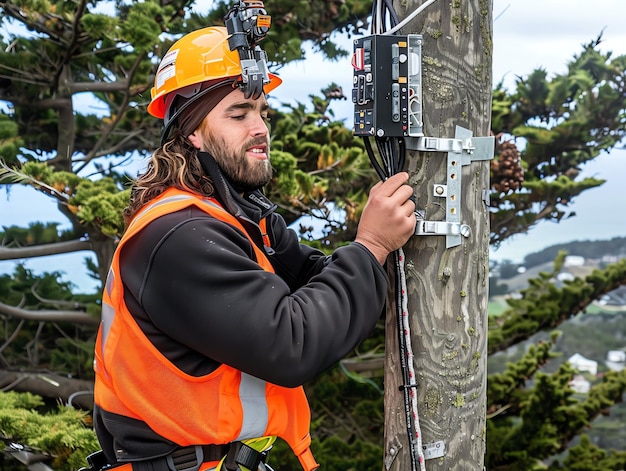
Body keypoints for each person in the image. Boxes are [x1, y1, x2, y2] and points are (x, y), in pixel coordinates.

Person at [92, 26, 416, 471]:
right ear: (193, 133)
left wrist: (369, 257)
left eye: (262, 110)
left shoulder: (235, 218)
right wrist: (372, 244)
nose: (261, 128)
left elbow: (315, 281)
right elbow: (292, 342)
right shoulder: (180, 235)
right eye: (239, 113)